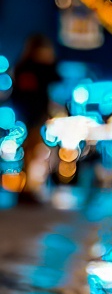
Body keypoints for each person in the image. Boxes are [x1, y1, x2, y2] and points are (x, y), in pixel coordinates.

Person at [12, 34, 58, 198]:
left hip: (33, 116)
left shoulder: (27, 68)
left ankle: (29, 186)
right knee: (33, 150)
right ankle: (29, 187)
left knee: (32, 150)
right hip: (32, 116)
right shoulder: (32, 69)